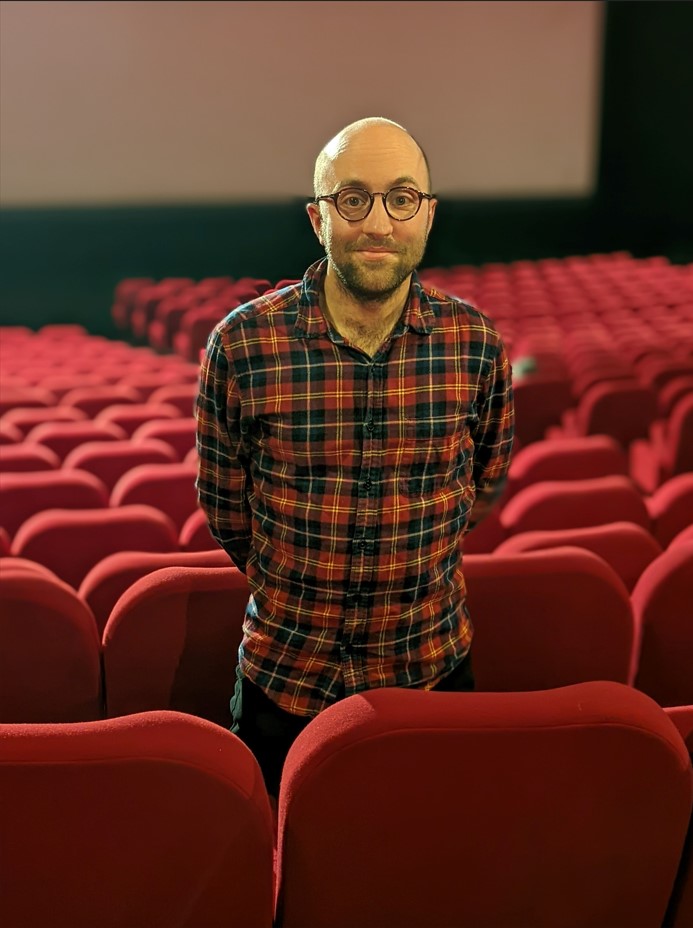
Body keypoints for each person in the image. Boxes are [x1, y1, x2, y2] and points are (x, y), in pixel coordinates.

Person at [195, 116, 514, 795]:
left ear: (427, 216)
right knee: (283, 884)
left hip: (429, 669)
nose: (378, 223)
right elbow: (227, 512)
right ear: (317, 218)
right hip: (285, 680)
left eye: (401, 198)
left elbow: (481, 487)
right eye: (352, 199)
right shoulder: (243, 346)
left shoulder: (474, 344)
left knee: (424, 875)